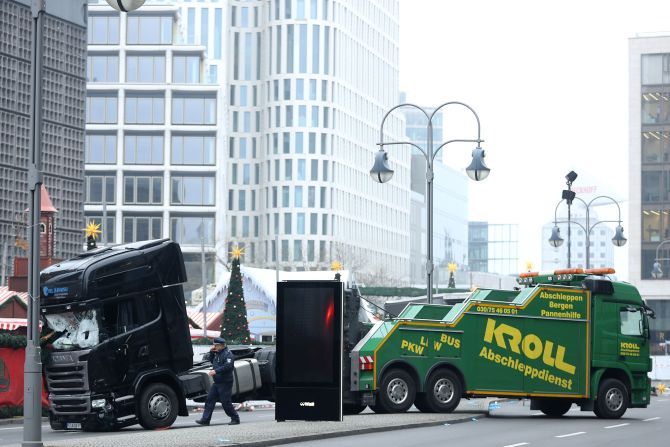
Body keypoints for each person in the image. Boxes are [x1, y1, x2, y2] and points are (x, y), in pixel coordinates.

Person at [195, 337, 240, 426]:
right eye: (214, 345)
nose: (214, 346)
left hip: (225, 382)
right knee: (209, 399)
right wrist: (211, 352)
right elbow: (211, 361)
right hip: (217, 382)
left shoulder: (228, 354)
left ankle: (235, 418)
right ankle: (205, 420)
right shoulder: (218, 353)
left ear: (221, 345)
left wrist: (216, 371)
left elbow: (228, 366)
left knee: (225, 402)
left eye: (216, 345)